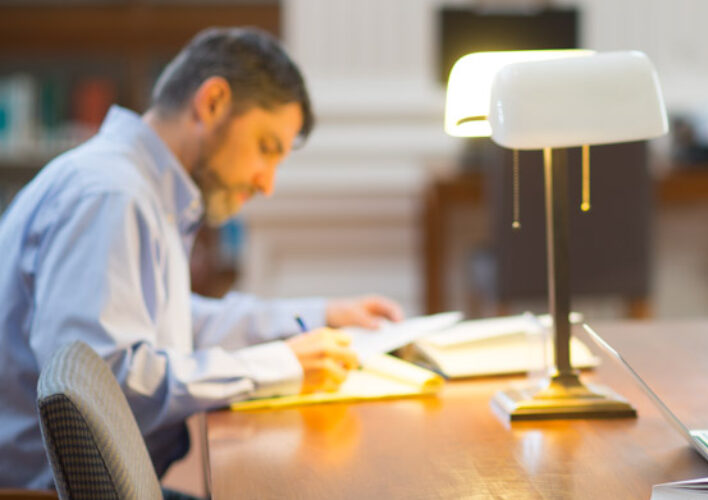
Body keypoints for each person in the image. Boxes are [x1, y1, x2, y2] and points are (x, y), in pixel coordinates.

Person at [0, 27, 406, 489]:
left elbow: (173, 324)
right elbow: (103, 387)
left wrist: (317, 317)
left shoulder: (136, 185)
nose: (266, 183)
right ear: (212, 102)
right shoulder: (111, 193)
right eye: (266, 148)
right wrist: (278, 366)